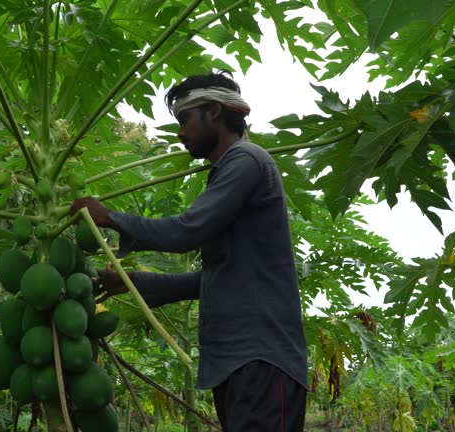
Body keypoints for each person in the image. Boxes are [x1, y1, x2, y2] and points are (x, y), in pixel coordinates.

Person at [70, 70, 308, 431]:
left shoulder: (246, 160)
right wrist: (132, 282)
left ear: (213, 111)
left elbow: (187, 231)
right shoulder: (228, 170)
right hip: (237, 365)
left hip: (261, 359)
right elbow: (213, 279)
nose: (180, 132)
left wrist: (112, 218)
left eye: (185, 119)